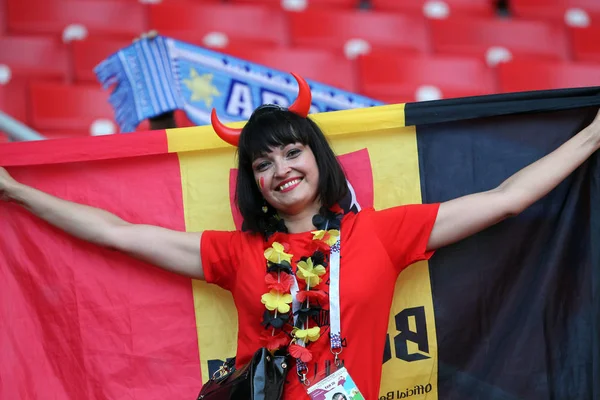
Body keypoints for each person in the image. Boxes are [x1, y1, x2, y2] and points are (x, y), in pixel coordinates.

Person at [1, 76, 600, 399]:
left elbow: (505, 200)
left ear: (319, 159)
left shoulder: (384, 234)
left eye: (293, 151)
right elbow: (118, 234)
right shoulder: (235, 254)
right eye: (263, 164)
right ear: (254, 185)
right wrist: (18, 192)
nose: (281, 169)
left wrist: (593, 137)